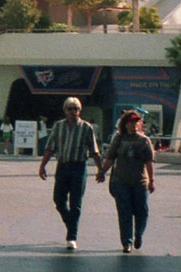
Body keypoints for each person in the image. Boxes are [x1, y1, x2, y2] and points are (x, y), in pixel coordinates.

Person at [38, 97, 102, 250]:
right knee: (59, 200)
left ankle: (72, 236)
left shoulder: (86, 128)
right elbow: (50, 147)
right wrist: (42, 166)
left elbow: (94, 150)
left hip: (78, 167)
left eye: (76, 109)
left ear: (80, 111)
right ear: (65, 111)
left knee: (76, 203)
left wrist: (101, 170)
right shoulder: (58, 127)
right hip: (63, 167)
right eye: (70, 109)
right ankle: (70, 223)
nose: (73, 112)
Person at [96, 110, 155, 253]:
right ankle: (126, 242)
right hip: (120, 180)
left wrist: (151, 180)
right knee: (125, 212)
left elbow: (149, 162)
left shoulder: (144, 141)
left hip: (139, 181)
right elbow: (110, 157)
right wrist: (102, 172)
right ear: (125, 124)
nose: (133, 124)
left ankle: (138, 234)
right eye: (131, 121)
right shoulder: (119, 138)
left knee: (142, 211)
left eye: (136, 121)